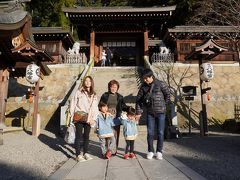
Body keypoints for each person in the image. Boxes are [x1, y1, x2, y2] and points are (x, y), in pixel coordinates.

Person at [135, 69, 170, 160]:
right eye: (144, 79)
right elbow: (138, 101)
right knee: (150, 133)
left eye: (146, 78)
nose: (145, 80)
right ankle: (150, 151)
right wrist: (138, 112)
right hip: (150, 113)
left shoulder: (161, 84)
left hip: (161, 112)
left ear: (151, 76)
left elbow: (168, 95)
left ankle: (159, 151)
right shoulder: (143, 87)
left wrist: (164, 105)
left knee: (160, 132)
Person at [70, 76, 99, 162]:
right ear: (84, 82)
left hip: (89, 118)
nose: (87, 82)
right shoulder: (79, 92)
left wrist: (94, 118)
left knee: (86, 136)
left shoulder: (94, 94)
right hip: (79, 116)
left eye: (89, 81)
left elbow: (95, 107)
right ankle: (78, 155)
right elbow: (73, 104)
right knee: (78, 136)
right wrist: (72, 117)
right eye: (86, 81)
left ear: (91, 83)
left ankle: (85, 153)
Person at [100, 80, 129, 154]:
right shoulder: (105, 95)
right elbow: (100, 105)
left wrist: (130, 109)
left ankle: (113, 150)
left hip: (116, 117)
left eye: (115, 87)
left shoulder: (120, 97)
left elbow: (123, 106)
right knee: (106, 134)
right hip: (106, 116)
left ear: (117, 88)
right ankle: (106, 150)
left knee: (115, 133)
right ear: (109, 87)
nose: (113, 88)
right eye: (112, 87)